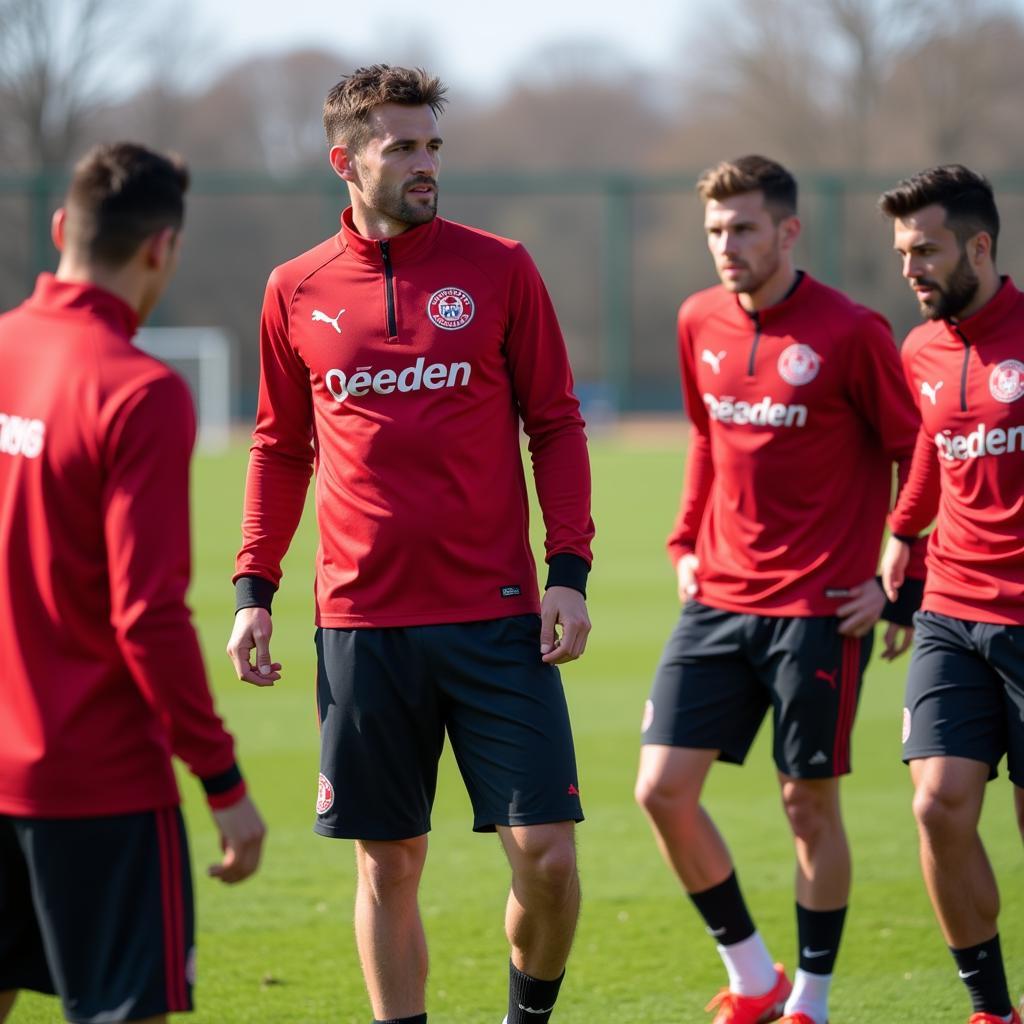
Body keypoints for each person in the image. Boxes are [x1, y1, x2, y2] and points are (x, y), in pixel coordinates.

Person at [225, 65, 594, 1024]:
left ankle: (529, 1016)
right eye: (404, 147)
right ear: (346, 160)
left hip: (498, 617)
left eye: (433, 144)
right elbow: (278, 448)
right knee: (389, 862)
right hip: (362, 623)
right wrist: (253, 589)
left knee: (548, 857)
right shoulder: (293, 289)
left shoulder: (501, 266)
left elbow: (554, 422)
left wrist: (570, 570)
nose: (427, 163)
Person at [633, 155, 923, 1024]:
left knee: (807, 804)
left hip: (818, 611)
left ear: (788, 231)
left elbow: (921, 456)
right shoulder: (697, 320)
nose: (728, 245)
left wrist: (899, 584)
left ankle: (813, 999)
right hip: (716, 598)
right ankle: (752, 975)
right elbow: (703, 436)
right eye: (716, 230)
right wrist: (684, 539)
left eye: (745, 228)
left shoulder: (852, 331)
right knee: (661, 792)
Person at [0, 143, 266, 1024]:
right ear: (162, 248)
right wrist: (222, 782)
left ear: (58, 229)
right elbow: (147, 616)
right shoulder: (138, 391)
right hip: (95, 784)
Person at [879, 164, 1023, 1024]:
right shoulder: (920, 348)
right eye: (902, 252)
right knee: (936, 804)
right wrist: (904, 535)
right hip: (952, 611)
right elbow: (934, 445)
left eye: (926, 250)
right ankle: (990, 1010)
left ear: (979, 245)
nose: (911, 268)